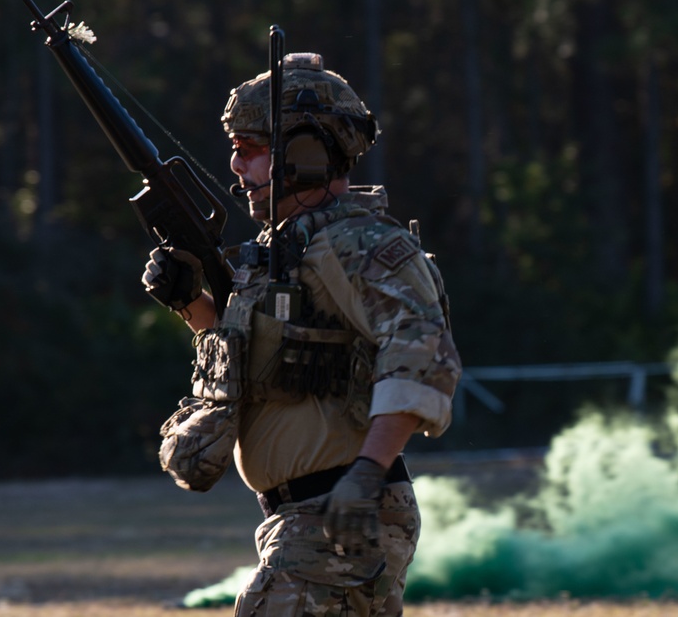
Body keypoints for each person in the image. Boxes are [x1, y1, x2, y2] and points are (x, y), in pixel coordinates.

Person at [142, 52, 461, 616]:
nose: (236, 167)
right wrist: (190, 301)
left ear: (304, 152)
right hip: (302, 516)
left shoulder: (356, 244)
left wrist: (366, 474)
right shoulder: (287, 252)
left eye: (249, 149)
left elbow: (421, 353)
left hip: (339, 511)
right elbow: (257, 362)